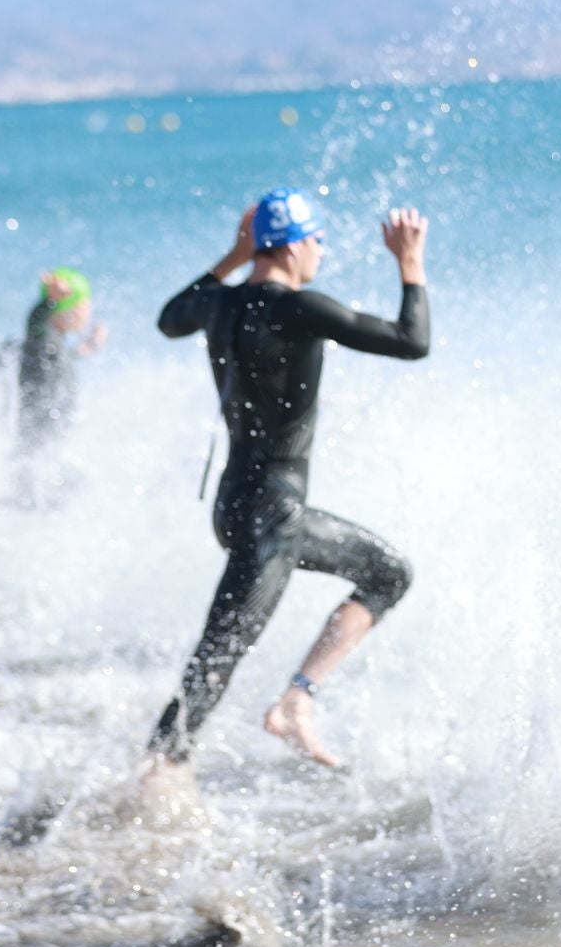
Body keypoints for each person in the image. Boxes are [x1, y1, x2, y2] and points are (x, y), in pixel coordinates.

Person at [146, 188, 430, 770]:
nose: (320, 255)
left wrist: (233, 254)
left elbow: (168, 318)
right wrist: (410, 263)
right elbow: (412, 341)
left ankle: (296, 702)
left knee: (388, 573)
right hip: (271, 516)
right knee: (215, 661)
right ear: (298, 245)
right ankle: (150, 786)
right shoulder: (302, 309)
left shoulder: (217, 305)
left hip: (237, 506)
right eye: (318, 244)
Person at [13, 268, 106, 507]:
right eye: (85, 307)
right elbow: (33, 325)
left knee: (49, 500)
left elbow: (62, 360)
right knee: (38, 499)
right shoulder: (42, 338)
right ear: (71, 307)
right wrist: (51, 301)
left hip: (49, 440)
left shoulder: (55, 346)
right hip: (37, 439)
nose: (87, 314)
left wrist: (88, 347)